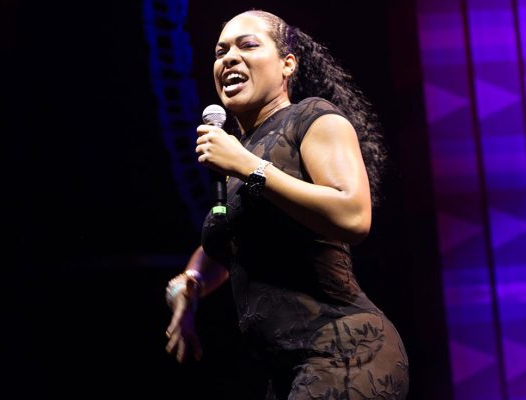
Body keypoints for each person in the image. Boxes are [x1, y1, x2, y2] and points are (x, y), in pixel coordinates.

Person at [163, 9, 409, 400]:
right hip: (284, 373)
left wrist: (249, 167)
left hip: (346, 350)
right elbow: (225, 236)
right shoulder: (239, 158)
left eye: (248, 45)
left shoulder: (312, 119)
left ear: (287, 65)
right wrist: (191, 282)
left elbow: (354, 216)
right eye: (221, 51)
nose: (229, 58)